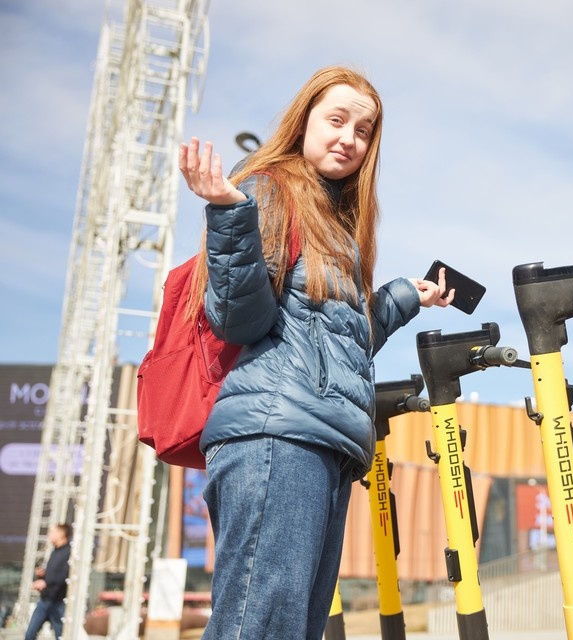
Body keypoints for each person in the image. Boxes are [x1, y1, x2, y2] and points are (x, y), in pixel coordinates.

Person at [178, 66, 453, 639]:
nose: (349, 137)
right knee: (260, 626)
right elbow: (239, 319)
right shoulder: (269, 188)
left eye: (364, 129)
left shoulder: (338, 225)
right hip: (277, 439)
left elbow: (331, 341)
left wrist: (406, 297)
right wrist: (231, 213)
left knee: (290, 629)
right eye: (336, 119)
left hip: (321, 442)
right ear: (303, 120)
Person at [24, 523, 71, 640]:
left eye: (52, 532)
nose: (49, 535)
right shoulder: (55, 551)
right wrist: (43, 576)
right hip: (44, 601)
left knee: (60, 636)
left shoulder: (69, 553)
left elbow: (65, 576)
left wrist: (46, 582)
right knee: (30, 635)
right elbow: (54, 575)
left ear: (61, 534)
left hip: (59, 603)